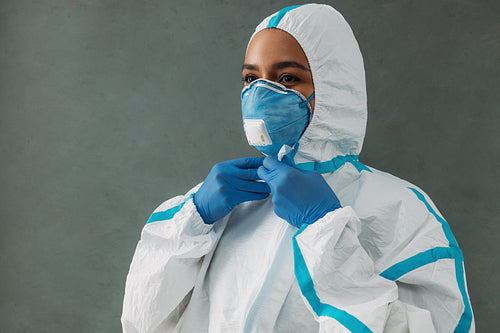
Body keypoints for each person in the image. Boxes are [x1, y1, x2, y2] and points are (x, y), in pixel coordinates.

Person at [121, 4, 474, 332]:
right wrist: (193, 222)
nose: (260, 93)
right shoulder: (224, 204)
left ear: (335, 87)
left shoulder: (400, 211)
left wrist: (326, 231)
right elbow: (144, 318)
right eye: (250, 78)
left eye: (287, 78)